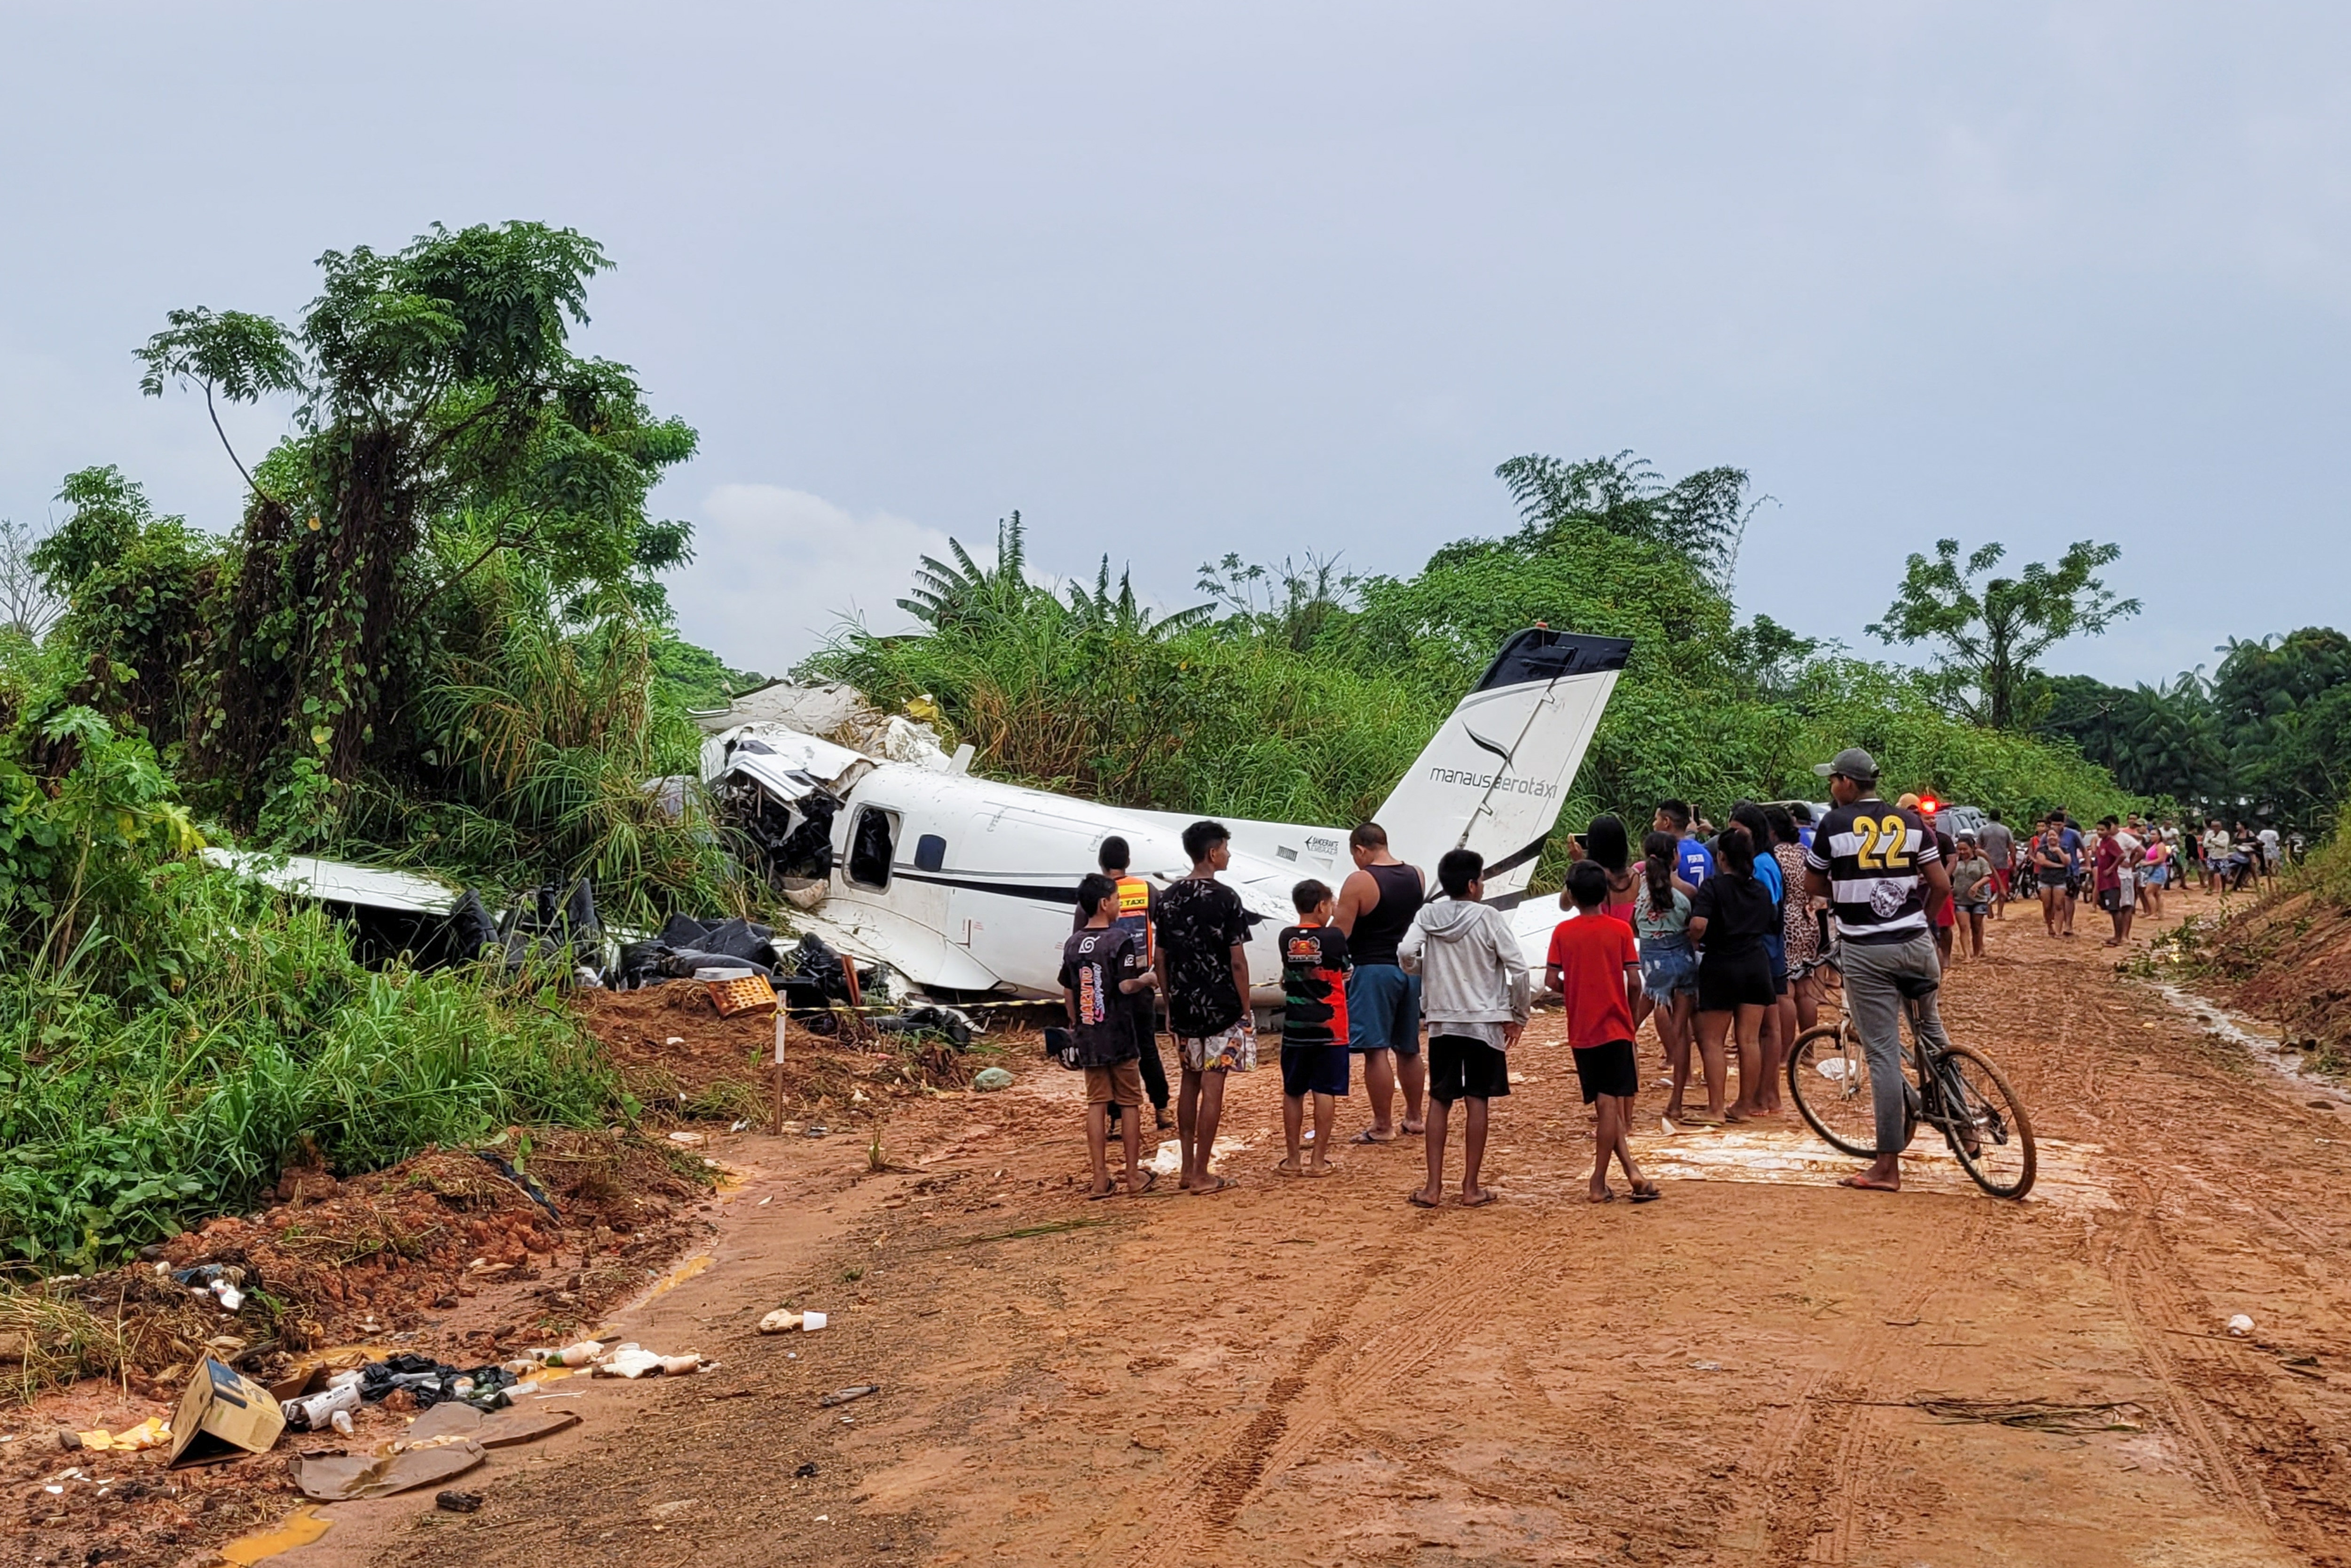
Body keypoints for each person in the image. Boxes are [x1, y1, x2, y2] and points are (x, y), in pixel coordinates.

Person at [1804, 748, 1955, 1194]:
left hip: (1867, 949)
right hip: (1916, 943)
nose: (1831, 788)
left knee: (1884, 1053)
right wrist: (1920, 924)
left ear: (1848, 784)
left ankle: (1886, 1167)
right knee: (1933, 1034)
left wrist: (1849, 888)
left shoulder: (1834, 824)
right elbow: (1941, 885)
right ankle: (1964, 1121)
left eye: (1833, 780)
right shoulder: (1911, 822)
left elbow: (1814, 884)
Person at [1399, 849, 1530, 1208]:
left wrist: (1425, 971)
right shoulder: (1489, 918)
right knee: (1477, 1100)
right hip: (1484, 1022)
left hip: (1443, 1021)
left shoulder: (1428, 914)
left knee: (1440, 1099)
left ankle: (1432, 1187)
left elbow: (1407, 950)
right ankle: (1471, 1187)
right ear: (1473, 884)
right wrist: (1517, 1015)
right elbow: (1518, 969)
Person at [1153, 820, 1256, 1195]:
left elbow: (1160, 956)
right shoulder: (1227, 898)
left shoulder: (1168, 897)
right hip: (1221, 1006)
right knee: (1214, 1085)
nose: (1228, 854)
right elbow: (1238, 960)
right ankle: (1201, 1171)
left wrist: (1168, 1001)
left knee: (1189, 1082)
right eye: (1226, 848)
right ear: (1213, 853)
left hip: (1183, 1003)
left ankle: (1185, 1166)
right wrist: (1244, 1008)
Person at [1545, 861, 1657, 1203]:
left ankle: (1632, 1172)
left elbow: (1551, 981)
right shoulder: (1621, 930)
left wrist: (1575, 991)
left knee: (1604, 1104)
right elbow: (1635, 981)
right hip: (1616, 1025)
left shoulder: (1563, 933)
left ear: (1572, 896)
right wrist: (1632, 1013)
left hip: (1582, 1028)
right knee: (1610, 1105)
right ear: (1606, 893)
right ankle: (1598, 1181)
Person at [1061, 874, 1157, 1198]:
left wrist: (1077, 1023)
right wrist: (1148, 979)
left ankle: (1100, 1178)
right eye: (1117, 899)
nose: (1118, 905)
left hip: (1089, 1036)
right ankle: (1132, 1174)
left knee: (1096, 1103)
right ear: (1105, 903)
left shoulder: (1074, 943)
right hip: (1119, 1034)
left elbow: (1068, 988)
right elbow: (1124, 986)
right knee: (1129, 1102)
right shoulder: (1119, 940)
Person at [1334, 822, 1427, 1145]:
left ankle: (1382, 1124)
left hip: (1374, 969)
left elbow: (1340, 934)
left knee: (1376, 1051)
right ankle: (1415, 1117)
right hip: (1410, 969)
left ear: (1360, 850)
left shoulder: (1361, 880)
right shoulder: (1417, 874)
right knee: (1409, 1047)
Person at [1078, 836, 1172, 1134]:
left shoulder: (1094, 896)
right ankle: (1162, 1109)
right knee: (1147, 1047)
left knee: (1116, 1051)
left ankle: (1117, 1119)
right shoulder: (1146, 890)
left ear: (1102, 864)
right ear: (1128, 861)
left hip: (1106, 989)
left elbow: (1081, 943)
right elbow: (1166, 931)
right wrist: (1158, 969)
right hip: (1142, 981)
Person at [1688, 822, 1778, 1124]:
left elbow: (1699, 923)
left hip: (1722, 964)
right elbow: (1771, 922)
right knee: (1749, 1040)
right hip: (1756, 964)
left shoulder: (1714, 887)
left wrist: (1693, 937)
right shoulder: (1761, 890)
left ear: (1722, 857)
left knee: (1713, 1040)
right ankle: (1744, 1104)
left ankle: (1715, 1108)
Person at [1276, 879, 1351, 1178]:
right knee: (1324, 1090)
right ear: (1321, 905)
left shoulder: (1286, 937)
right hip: (1330, 1027)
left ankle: (1293, 1158)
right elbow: (1345, 969)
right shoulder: (1334, 937)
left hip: (1295, 1027)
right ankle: (1318, 1160)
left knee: (1293, 1091)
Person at [1633, 830, 1699, 1120]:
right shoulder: (1687, 892)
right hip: (1684, 962)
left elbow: (1635, 928)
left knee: (1628, 1026)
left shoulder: (1639, 891)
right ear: (1676, 856)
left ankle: (1620, 1100)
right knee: (1681, 1031)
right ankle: (1676, 1102)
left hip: (1653, 968)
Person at [1732, 802, 1792, 1113]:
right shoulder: (1760, 861)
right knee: (1766, 1026)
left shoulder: (1763, 865)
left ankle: (1766, 1093)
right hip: (1767, 949)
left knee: (1767, 1026)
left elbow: (1767, 911)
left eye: (1737, 831)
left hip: (1766, 950)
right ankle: (1767, 1092)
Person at [1767, 805, 1826, 1035]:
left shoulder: (1775, 856)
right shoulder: (1804, 851)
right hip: (1808, 919)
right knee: (1806, 986)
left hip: (1787, 920)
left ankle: (1787, 1052)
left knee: (1786, 989)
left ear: (1772, 832)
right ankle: (1808, 1049)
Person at [1948, 832, 1992, 961]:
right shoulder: (1955, 863)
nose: (1962, 852)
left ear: (1972, 848)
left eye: (1965, 849)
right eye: (1959, 850)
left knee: (1977, 927)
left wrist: (1977, 885)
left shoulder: (1981, 862)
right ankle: (1967, 955)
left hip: (1979, 899)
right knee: (1964, 927)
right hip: (1960, 900)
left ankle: (1977, 952)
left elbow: (1988, 876)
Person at [1654, 799, 1714, 886]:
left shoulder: (1666, 855)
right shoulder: (1705, 853)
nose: (1654, 824)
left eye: (1656, 819)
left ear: (1666, 822)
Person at [2030, 817, 2069, 937]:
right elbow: (2042, 862)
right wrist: (2059, 865)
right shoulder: (2042, 849)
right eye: (2050, 836)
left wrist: (2058, 852)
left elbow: (2067, 862)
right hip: (2045, 879)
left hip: (2060, 880)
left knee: (2058, 905)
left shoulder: (2064, 849)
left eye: (2054, 836)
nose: (2052, 838)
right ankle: (2049, 925)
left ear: (2059, 838)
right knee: (2047, 905)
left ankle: (2058, 930)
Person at [1978, 809, 2015, 919]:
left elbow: (1978, 847)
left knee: (1989, 887)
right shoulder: (2006, 830)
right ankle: (2000, 913)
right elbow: (2012, 848)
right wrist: (2013, 863)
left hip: (1986, 864)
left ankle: (1989, 903)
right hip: (2002, 863)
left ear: (1989, 817)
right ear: (2000, 818)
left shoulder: (1982, 830)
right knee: (2002, 888)